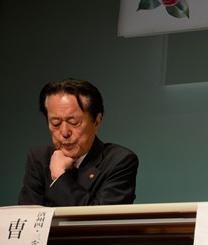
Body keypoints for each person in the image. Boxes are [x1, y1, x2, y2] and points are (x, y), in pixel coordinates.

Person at [18, 78, 139, 206]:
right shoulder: (39, 159)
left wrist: (59, 177)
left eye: (74, 122)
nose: (64, 133)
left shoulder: (118, 161)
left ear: (96, 122)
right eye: (55, 123)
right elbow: (28, 219)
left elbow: (99, 220)